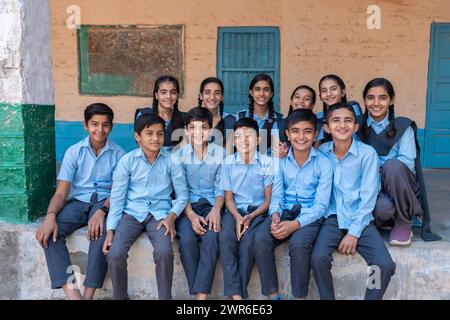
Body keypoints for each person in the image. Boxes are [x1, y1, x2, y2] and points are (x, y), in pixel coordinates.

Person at [35, 103, 125, 300]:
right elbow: (61, 193)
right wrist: (50, 216)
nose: (100, 130)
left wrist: (101, 211)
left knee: (101, 235)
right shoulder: (74, 152)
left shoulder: (120, 155)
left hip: (105, 203)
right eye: (94, 124)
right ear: (85, 125)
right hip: (77, 203)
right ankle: (74, 296)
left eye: (105, 125)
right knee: (50, 234)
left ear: (111, 126)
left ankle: (88, 295)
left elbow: (119, 192)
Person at [311, 102, 395, 300]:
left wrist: (354, 233)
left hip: (361, 217)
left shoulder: (367, 154)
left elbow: (368, 197)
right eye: (336, 120)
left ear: (356, 127)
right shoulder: (322, 151)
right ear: (326, 127)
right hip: (331, 218)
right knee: (318, 258)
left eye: (348, 120)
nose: (342, 125)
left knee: (382, 264)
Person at [103, 114, 188, 300]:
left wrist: (171, 216)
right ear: (137, 136)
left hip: (160, 214)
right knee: (115, 253)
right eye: (149, 133)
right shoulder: (127, 161)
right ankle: (120, 297)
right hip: (131, 213)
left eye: (159, 133)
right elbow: (117, 198)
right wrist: (111, 229)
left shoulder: (172, 160)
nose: (155, 138)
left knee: (165, 252)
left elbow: (182, 196)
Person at [254, 109, 332, 300]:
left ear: (316, 134)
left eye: (307, 131)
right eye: (295, 131)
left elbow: (321, 205)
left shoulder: (324, 163)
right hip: (284, 211)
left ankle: (299, 297)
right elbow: (277, 195)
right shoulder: (280, 162)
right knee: (261, 239)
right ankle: (273, 295)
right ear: (287, 134)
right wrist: (275, 216)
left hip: (309, 215)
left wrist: (295, 225)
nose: (301, 136)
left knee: (298, 244)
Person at [358, 78, 441, 244]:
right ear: (365, 100)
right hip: (369, 185)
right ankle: (386, 220)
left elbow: (408, 164)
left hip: (398, 182)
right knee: (383, 209)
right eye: (370, 97)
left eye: (382, 97)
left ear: (391, 100)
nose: (376, 103)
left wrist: (380, 169)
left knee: (394, 165)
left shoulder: (403, 126)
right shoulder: (356, 126)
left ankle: (403, 222)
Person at [219, 118, 274, 299]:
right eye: (238, 137)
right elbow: (228, 199)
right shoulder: (228, 163)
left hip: (258, 213)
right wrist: (237, 217)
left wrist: (250, 217)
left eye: (248, 135)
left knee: (247, 243)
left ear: (258, 139)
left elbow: (267, 201)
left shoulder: (267, 163)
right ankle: (236, 295)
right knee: (226, 238)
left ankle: (238, 295)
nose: (243, 140)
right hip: (234, 211)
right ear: (233, 141)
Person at [173, 106, 225, 300]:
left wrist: (216, 210)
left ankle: (200, 297)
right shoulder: (178, 156)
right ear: (186, 130)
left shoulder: (220, 154)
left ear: (210, 130)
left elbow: (222, 187)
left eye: (203, 127)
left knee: (212, 239)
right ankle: (199, 294)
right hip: (187, 207)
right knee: (186, 241)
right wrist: (191, 215)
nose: (198, 132)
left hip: (213, 205)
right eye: (193, 128)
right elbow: (180, 190)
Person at [134, 75, 186, 149]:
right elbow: (141, 146)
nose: (168, 96)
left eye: (173, 92)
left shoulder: (184, 118)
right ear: (156, 95)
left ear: (177, 95)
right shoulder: (143, 115)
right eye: (163, 92)